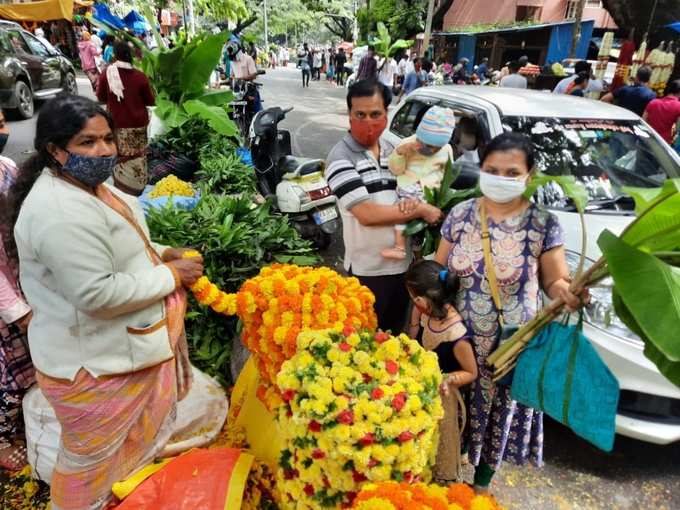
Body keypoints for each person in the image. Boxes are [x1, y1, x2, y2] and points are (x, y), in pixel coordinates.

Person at [7, 94, 205, 509]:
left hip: (111, 350)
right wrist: (170, 275)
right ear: (56, 151)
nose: (103, 151)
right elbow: (97, 293)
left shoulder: (90, 188)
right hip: (92, 366)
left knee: (117, 462)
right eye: (87, 143)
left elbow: (123, 248)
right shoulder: (59, 212)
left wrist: (162, 252)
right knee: (88, 466)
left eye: (107, 139)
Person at [434, 132, 585, 494]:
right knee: (449, 412)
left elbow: (554, 281)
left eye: (511, 171)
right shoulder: (460, 215)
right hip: (456, 342)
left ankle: (480, 486)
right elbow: (439, 270)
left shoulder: (543, 225)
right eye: (492, 170)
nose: (500, 178)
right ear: (481, 169)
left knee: (497, 417)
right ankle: (443, 473)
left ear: (528, 175)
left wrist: (567, 293)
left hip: (507, 349)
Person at [324, 79, 442, 333]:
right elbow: (366, 214)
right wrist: (420, 210)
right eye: (360, 114)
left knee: (395, 336)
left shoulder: (394, 151)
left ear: (386, 114)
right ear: (349, 115)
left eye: (375, 114)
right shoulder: (339, 158)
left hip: (403, 267)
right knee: (367, 340)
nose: (368, 121)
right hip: (368, 272)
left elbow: (416, 186)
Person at [405, 260, 477, 484]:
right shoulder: (427, 315)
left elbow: (471, 372)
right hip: (422, 388)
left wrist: (448, 380)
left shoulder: (456, 334)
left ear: (421, 300)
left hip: (443, 398)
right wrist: (415, 320)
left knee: (438, 446)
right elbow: (415, 339)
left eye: (412, 298)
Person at [0, 110, 35, 472]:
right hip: (5, 300)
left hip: (20, 281)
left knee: (29, 364)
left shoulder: (8, 168)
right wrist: (16, 310)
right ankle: (3, 438)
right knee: (8, 376)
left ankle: (24, 422)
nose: (3, 132)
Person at [383, 106, 455, 260]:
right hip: (408, 189)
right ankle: (400, 247)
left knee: (421, 231)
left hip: (432, 196)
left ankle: (419, 256)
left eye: (437, 148)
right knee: (401, 214)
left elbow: (448, 174)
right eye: (427, 146)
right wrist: (401, 152)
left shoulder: (447, 150)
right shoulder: (408, 143)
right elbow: (395, 170)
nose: (431, 151)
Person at [97, 41, 155, 196]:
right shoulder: (140, 76)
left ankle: (123, 192)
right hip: (138, 126)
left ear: (115, 55)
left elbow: (101, 97)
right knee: (138, 158)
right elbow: (150, 100)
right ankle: (138, 188)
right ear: (131, 56)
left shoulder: (107, 74)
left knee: (122, 158)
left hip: (117, 125)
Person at [644, 80, 680, 145]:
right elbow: (678, 128)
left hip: (647, 139)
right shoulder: (678, 106)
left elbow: (643, 119)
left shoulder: (653, 102)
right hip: (663, 143)